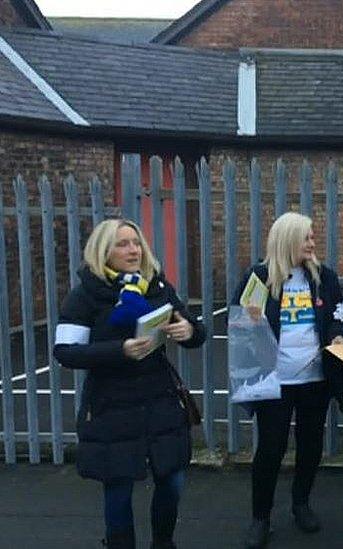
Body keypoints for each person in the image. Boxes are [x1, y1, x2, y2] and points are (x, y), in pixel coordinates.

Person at [54, 218, 206, 549]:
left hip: (159, 399)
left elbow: (194, 329)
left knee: (173, 479)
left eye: (136, 242)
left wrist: (189, 331)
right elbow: (66, 352)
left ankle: (163, 542)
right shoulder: (85, 296)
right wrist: (119, 350)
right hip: (112, 404)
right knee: (119, 488)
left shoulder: (157, 287)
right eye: (122, 243)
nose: (133, 249)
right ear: (102, 251)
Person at [231, 212, 343, 549]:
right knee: (270, 448)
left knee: (310, 445)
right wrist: (248, 320)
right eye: (306, 238)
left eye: (312, 237)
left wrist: (338, 336)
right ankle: (260, 518)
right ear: (287, 241)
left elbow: (339, 313)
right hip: (275, 381)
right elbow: (238, 320)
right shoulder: (260, 275)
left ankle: (301, 504)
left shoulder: (324, 277)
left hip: (315, 379)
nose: (313, 243)